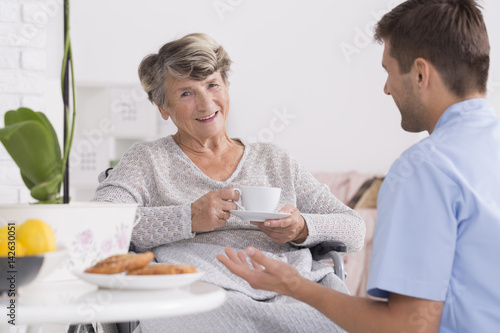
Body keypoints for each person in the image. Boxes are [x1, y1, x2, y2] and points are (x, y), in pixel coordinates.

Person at [217, 1, 500, 332]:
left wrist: (294, 285)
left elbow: (407, 327)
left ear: (420, 74)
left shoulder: (424, 169)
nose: (386, 88)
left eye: (388, 71)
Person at [93, 33, 365, 332]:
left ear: (226, 87)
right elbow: (99, 225)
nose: (205, 103)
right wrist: (188, 217)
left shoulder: (274, 159)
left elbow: (354, 228)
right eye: (186, 93)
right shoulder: (147, 160)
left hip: (287, 286)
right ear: (162, 107)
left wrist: (302, 228)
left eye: (212, 85)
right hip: (199, 290)